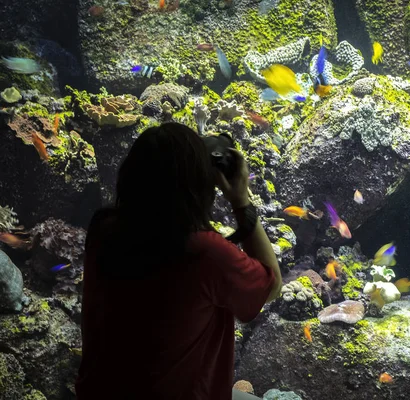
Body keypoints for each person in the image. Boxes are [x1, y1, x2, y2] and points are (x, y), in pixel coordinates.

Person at [75, 123, 282, 400]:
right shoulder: (205, 253)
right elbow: (272, 286)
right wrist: (241, 201)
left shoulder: (103, 229)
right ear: (200, 185)